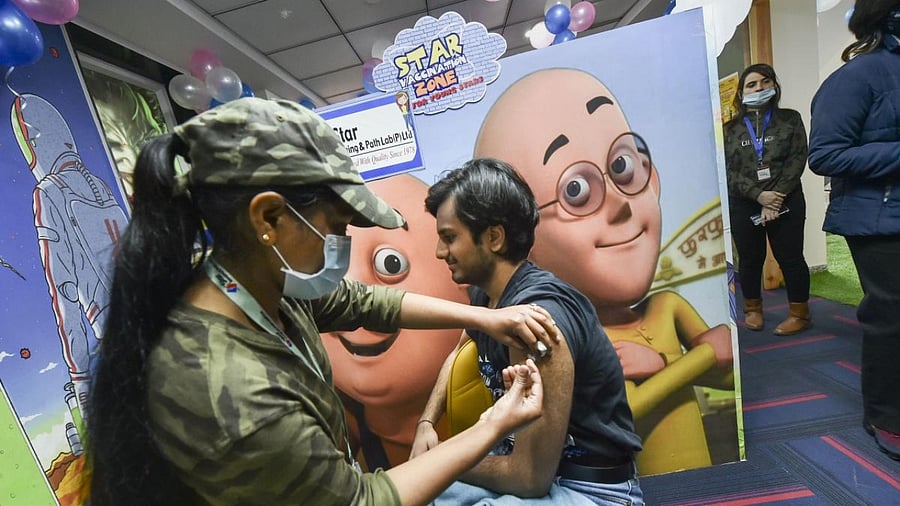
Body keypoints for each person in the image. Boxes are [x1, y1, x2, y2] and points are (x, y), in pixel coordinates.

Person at [86, 97, 562, 506]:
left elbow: (363, 303)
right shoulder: (227, 387)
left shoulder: (257, 287)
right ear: (268, 217)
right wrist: (493, 426)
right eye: (334, 228)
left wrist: (483, 316)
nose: (341, 245)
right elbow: (359, 500)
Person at [472, 68, 734, 475]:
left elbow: (728, 374)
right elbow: (616, 415)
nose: (620, 204)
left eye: (624, 166)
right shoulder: (568, 336)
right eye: (576, 190)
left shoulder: (667, 306)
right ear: (518, 238)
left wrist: (683, 360)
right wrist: (685, 362)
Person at [413, 158, 644, 505]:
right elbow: (458, 351)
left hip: (591, 491)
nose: (440, 251)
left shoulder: (537, 323)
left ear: (493, 237)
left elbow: (529, 478)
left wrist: (440, 461)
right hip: (532, 472)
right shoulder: (487, 297)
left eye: (449, 237)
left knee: (428, 480)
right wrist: (427, 422)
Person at [320, 174, 469, 469]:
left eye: (390, 264)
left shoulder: (490, 370)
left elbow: (368, 304)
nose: (353, 286)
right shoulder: (339, 419)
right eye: (332, 267)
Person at [807, 0, 900, 460]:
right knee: (891, 318)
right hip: (879, 218)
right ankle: (887, 416)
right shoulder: (856, 77)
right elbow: (824, 155)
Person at [724, 63, 812, 335]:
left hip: (786, 199)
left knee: (791, 257)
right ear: (741, 93)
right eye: (751, 85)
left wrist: (775, 198)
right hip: (744, 201)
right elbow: (726, 170)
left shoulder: (790, 118)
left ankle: (800, 313)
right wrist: (758, 195)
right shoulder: (729, 129)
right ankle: (753, 310)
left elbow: (798, 159)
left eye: (765, 82)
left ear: (774, 86)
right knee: (750, 259)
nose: (759, 88)